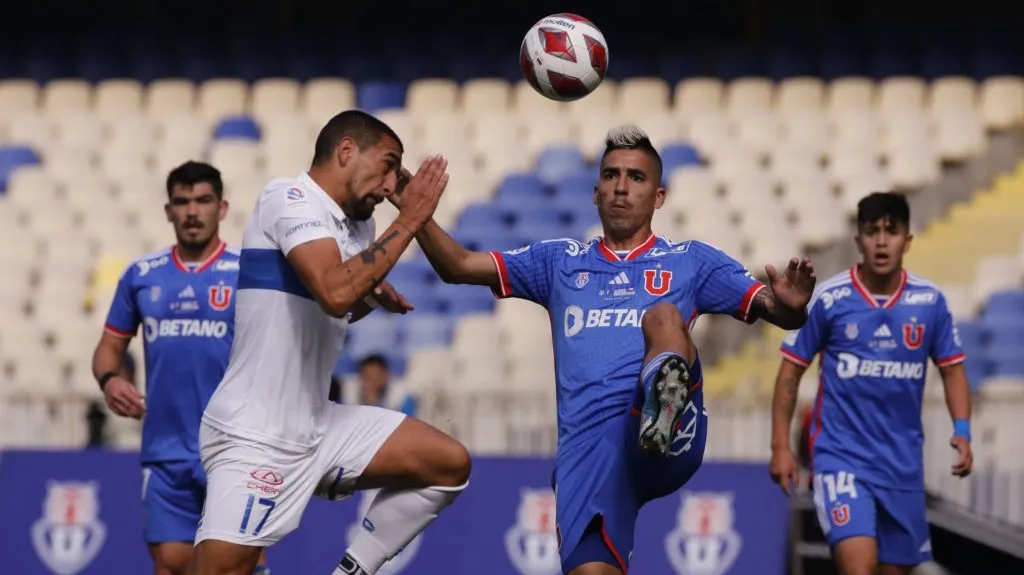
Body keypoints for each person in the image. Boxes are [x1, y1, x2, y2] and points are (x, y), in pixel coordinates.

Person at [391, 125, 816, 575]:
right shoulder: (558, 261)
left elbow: (776, 310)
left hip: (667, 439)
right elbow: (458, 266)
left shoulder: (690, 261)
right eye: (611, 175)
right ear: (595, 192)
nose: (621, 186)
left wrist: (789, 306)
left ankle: (662, 405)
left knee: (662, 317)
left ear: (660, 196)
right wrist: (414, 213)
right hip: (588, 455)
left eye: (636, 178)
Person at [193, 110, 471, 575]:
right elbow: (335, 289)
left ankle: (353, 570)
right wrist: (413, 216)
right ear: (346, 151)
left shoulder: (356, 224)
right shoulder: (289, 197)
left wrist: (371, 296)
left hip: (318, 424)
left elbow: (340, 303)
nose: (389, 186)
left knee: (448, 464)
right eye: (387, 164)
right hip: (255, 433)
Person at [768, 192, 974, 575]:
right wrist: (781, 446)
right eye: (872, 231)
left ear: (907, 240)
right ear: (858, 240)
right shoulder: (829, 299)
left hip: (903, 468)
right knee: (858, 567)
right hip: (841, 461)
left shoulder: (929, 302)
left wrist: (962, 430)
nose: (881, 240)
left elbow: (952, 370)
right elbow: (790, 372)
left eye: (891, 231)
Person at [91, 161, 270, 574]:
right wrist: (109, 379)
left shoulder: (248, 272)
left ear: (222, 208)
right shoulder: (141, 275)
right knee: (172, 564)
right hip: (166, 452)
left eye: (203, 200)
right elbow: (108, 348)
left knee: (241, 564)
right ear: (168, 210)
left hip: (234, 448)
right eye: (182, 202)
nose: (193, 211)